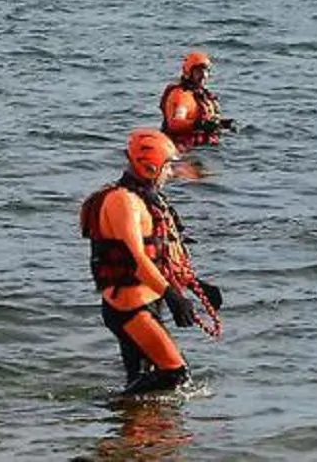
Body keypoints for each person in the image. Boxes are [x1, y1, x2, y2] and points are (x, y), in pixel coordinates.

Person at [79, 129, 225, 395]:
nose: (171, 173)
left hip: (148, 301)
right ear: (151, 166)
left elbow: (163, 257)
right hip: (130, 308)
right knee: (176, 375)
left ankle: (131, 428)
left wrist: (196, 285)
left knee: (143, 380)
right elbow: (137, 260)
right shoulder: (122, 201)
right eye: (167, 166)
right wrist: (172, 296)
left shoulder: (148, 199)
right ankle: (104, 408)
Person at [160, 51, 234, 150]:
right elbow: (175, 123)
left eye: (206, 71)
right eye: (198, 71)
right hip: (183, 149)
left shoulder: (201, 95)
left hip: (203, 147)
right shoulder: (182, 96)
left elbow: (206, 123)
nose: (203, 75)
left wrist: (222, 124)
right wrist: (199, 125)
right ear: (189, 72)